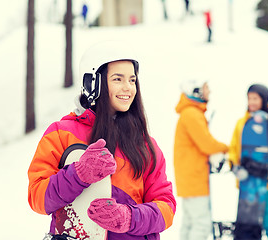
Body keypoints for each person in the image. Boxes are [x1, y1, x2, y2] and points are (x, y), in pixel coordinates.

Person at [27, 41, 176, 240]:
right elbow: (37, 197)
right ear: (92, 83)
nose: (128, 88)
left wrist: (130, 218)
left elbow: (166, 208)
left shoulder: (146, 145)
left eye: (132, 80)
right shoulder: (61, 133)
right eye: (117, 79)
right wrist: (78, 175)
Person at [174, 79, 229, 240]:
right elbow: (207, 144)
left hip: (190, 177)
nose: (209, 91)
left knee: (190, 223)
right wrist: (229, 148)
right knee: (201, 224)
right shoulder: (192, 114)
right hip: (194, 178)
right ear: (196, 90)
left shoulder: (191, 113)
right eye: (206, 88)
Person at [228, 84, 268, 240]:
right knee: (248, 225)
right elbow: (233, 149)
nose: (251, 102)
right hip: (247, 184)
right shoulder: (242, 123)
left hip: (267, 185)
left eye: (255, 98)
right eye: (249, 98)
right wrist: (235, 167)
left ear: (264, 100)